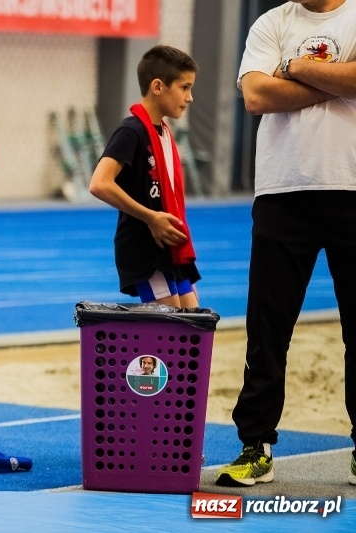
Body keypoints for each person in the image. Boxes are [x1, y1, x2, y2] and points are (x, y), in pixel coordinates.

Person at [216, 0, 356, 488]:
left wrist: (295, 68)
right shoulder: (271, 22)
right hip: (282, 193)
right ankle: (255, 446)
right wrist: (336, 79)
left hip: (352, 190)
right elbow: (256, 95)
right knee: (267, 330)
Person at [88, 45, 201, 309]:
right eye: (184, 88)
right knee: (171, 325)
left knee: (194, 320)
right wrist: (150, 217)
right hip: (145, 248)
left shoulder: (164, 132)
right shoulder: (131, 131)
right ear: (158, 86)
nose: (190, 97)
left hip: (169, 246)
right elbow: (99, 184)